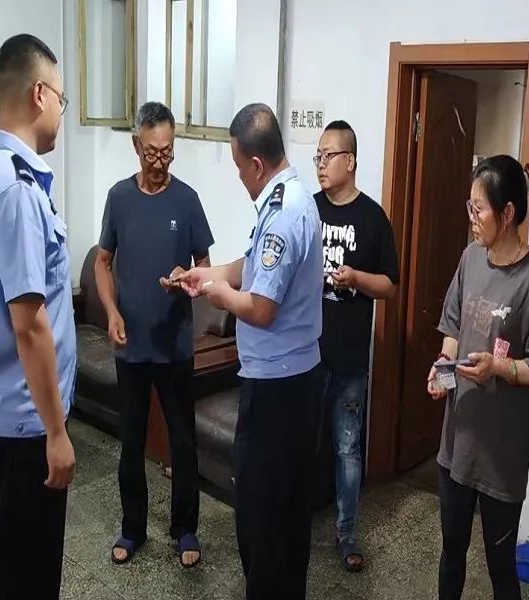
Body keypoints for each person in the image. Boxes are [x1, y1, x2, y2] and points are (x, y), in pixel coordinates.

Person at [177, 103, 323, 599]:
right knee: (280, 511)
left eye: (239, 166)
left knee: (266, 517)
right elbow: (253, 264)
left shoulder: (283, 214)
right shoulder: (293, 198)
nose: (239, 176)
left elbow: (260, 309)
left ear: (257, 164)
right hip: (287, 379)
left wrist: (218, 296)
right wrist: (210, 274)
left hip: (280, 388)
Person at [0, 34, 75, 600]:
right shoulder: (17, 190)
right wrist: (57, 432)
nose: (61, 112)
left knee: (1, 560)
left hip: (4, 411)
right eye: (62, 99)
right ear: (39, 94)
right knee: (25, 574)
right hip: (29, 423)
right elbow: (29, 324)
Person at [426, 156, 529, 600]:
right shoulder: (470, 259)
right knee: (451, 553)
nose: (471, 217)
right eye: (470, 206)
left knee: (501, 567)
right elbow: (453, 328)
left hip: (500, 456)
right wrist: (443, 368)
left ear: (507, 213)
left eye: (479, 209)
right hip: (457, 443)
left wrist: (497, 368)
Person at [95, 101, 214, 568]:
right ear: (136, 145)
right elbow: (103, 262)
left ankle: (186, 529)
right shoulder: (119, 198)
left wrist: (188, 277)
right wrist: (111, 312)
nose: (160, 161)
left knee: (183, 442)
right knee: (131, 442)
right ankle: (133, 529)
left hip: (175, 346)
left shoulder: (187, 200)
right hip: (131, 348)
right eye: (152, 152)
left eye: (167, 151)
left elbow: (205, 265)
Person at [313, 120, 399, 571]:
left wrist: (355, 278)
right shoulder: (307, 210)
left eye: (328, 156)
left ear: (350, 161)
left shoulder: (372, 218)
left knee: (347, 449)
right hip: (305, 357)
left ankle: (347, 534)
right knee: (303, 443)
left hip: (348, 360)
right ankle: (294, 520)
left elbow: (389, 285)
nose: (321, 164)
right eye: (318, 156)